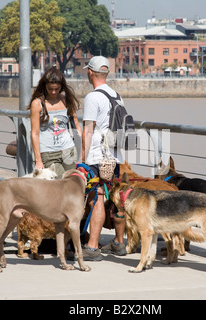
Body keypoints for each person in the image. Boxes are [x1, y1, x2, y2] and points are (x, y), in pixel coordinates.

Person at [81, 56, 127, 261]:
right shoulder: (116, 95)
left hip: (98, 156)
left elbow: (88, 131)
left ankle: (92, 247)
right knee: (116, 199)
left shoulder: (92, 97)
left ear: (90, 72)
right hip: (114, 156)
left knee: (97, 197)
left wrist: (82, 161)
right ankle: (119, 242)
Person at [28, 66, 82, 177]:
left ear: (62, 87)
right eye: (50, 89)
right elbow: (34, 133)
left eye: (57, 89)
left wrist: (82, 151)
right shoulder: (37, 104)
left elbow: (76, 125)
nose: (53, 92)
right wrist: (38, 160)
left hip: (69, 150)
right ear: (44, 86)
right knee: (61, 184)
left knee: (73, 183)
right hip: (48, 153)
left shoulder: (66, 100)